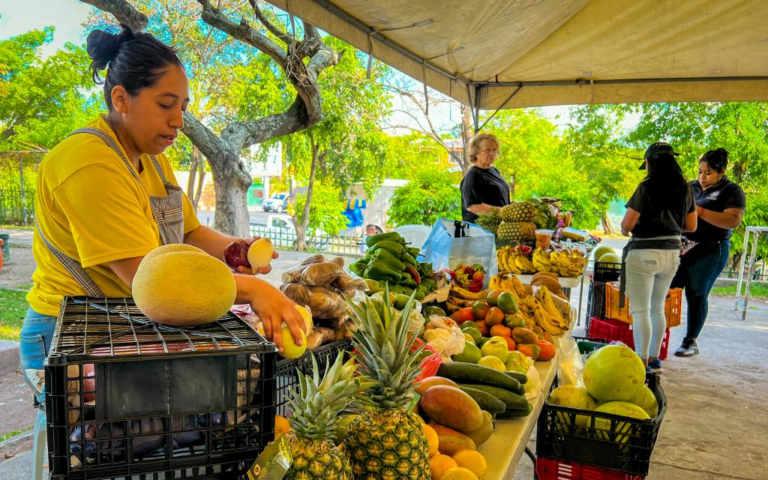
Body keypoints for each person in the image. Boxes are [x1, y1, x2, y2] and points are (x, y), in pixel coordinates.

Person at [20, 25, 305, 385]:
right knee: (86, 439)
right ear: (121, 99)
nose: (178, 122)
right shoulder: (88, 162)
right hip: (70, 331)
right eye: (166, 105)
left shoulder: (152, 158)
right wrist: (252, 290)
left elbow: (189, 231)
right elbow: (149, 279)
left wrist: (236, 250)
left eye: (183, 108)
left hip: (123, 320)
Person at [620, 142, 697, 372]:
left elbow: (627, 224)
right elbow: (691, 225)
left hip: (644, 253)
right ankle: (654, 359)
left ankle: (641, 363)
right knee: (656, 308)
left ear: (650, 163)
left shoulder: (646, 187)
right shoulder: (685, 189)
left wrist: (626, 230)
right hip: (672, 254)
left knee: (640, 310)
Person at [672, 148, 746, 357]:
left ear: (721, 172)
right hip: (685, 245)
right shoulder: (691, 187)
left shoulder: (731, 190)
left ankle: (690, 341)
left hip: (712, 248)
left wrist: (701, 212)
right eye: (700, 172)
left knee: (696, 292)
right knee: (669, 288)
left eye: (708, 173)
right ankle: (661, 335)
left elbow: (732, 220)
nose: (702, 177)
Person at [460, 133, 510, 222]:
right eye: (487, 150)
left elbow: (500, 200)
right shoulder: (473, 175)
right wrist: (505, 211)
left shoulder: (494, 171)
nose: (492, 154)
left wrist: (515, 206)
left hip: (501, 226)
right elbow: (473, 206)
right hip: (480, 232)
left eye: (494, 150)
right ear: (476, 152)